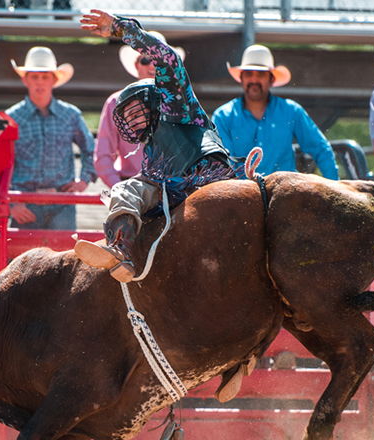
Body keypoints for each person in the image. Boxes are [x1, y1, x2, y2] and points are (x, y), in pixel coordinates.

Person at [75, 10, 235, 282]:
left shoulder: (177, 106)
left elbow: (167, 59)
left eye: (137, 113)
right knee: (126, 188)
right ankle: (120, 247)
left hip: (208, 177)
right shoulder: (150, 149)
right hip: (172, 189)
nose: (133, 121)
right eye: (129, 117)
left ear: (155, 102)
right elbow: (146, 179)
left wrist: (118, 28)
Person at [212, 44, 338, 180]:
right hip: (240, 196)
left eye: (260, 74)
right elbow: (222, 165)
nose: (254, 80)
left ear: (271, 79)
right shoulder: (222, 117)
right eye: (248, 74)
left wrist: (333, 189)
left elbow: (320, 148)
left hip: (285, 195)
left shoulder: (291, 111)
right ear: (241, 79)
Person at [5, 46, 96, 230]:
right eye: (34, 76)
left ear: (54, 80)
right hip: (24, 203)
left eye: (45, 76)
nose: (40, 82)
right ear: (25, 79)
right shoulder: (11, 119)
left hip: (62, 202)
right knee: (22, 258)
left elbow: (91, 150)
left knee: (64, 257)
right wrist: (11, 204)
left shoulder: (70, 115)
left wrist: (83, 180)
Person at [94, 32, 183, 188]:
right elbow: (103, 156)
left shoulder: (179, 102)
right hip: (130, 184)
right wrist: (120, 189)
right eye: (145, 60)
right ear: (136, 65)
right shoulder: (115, 102)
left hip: (171, 187)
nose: (151, 65)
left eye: (157, 60)